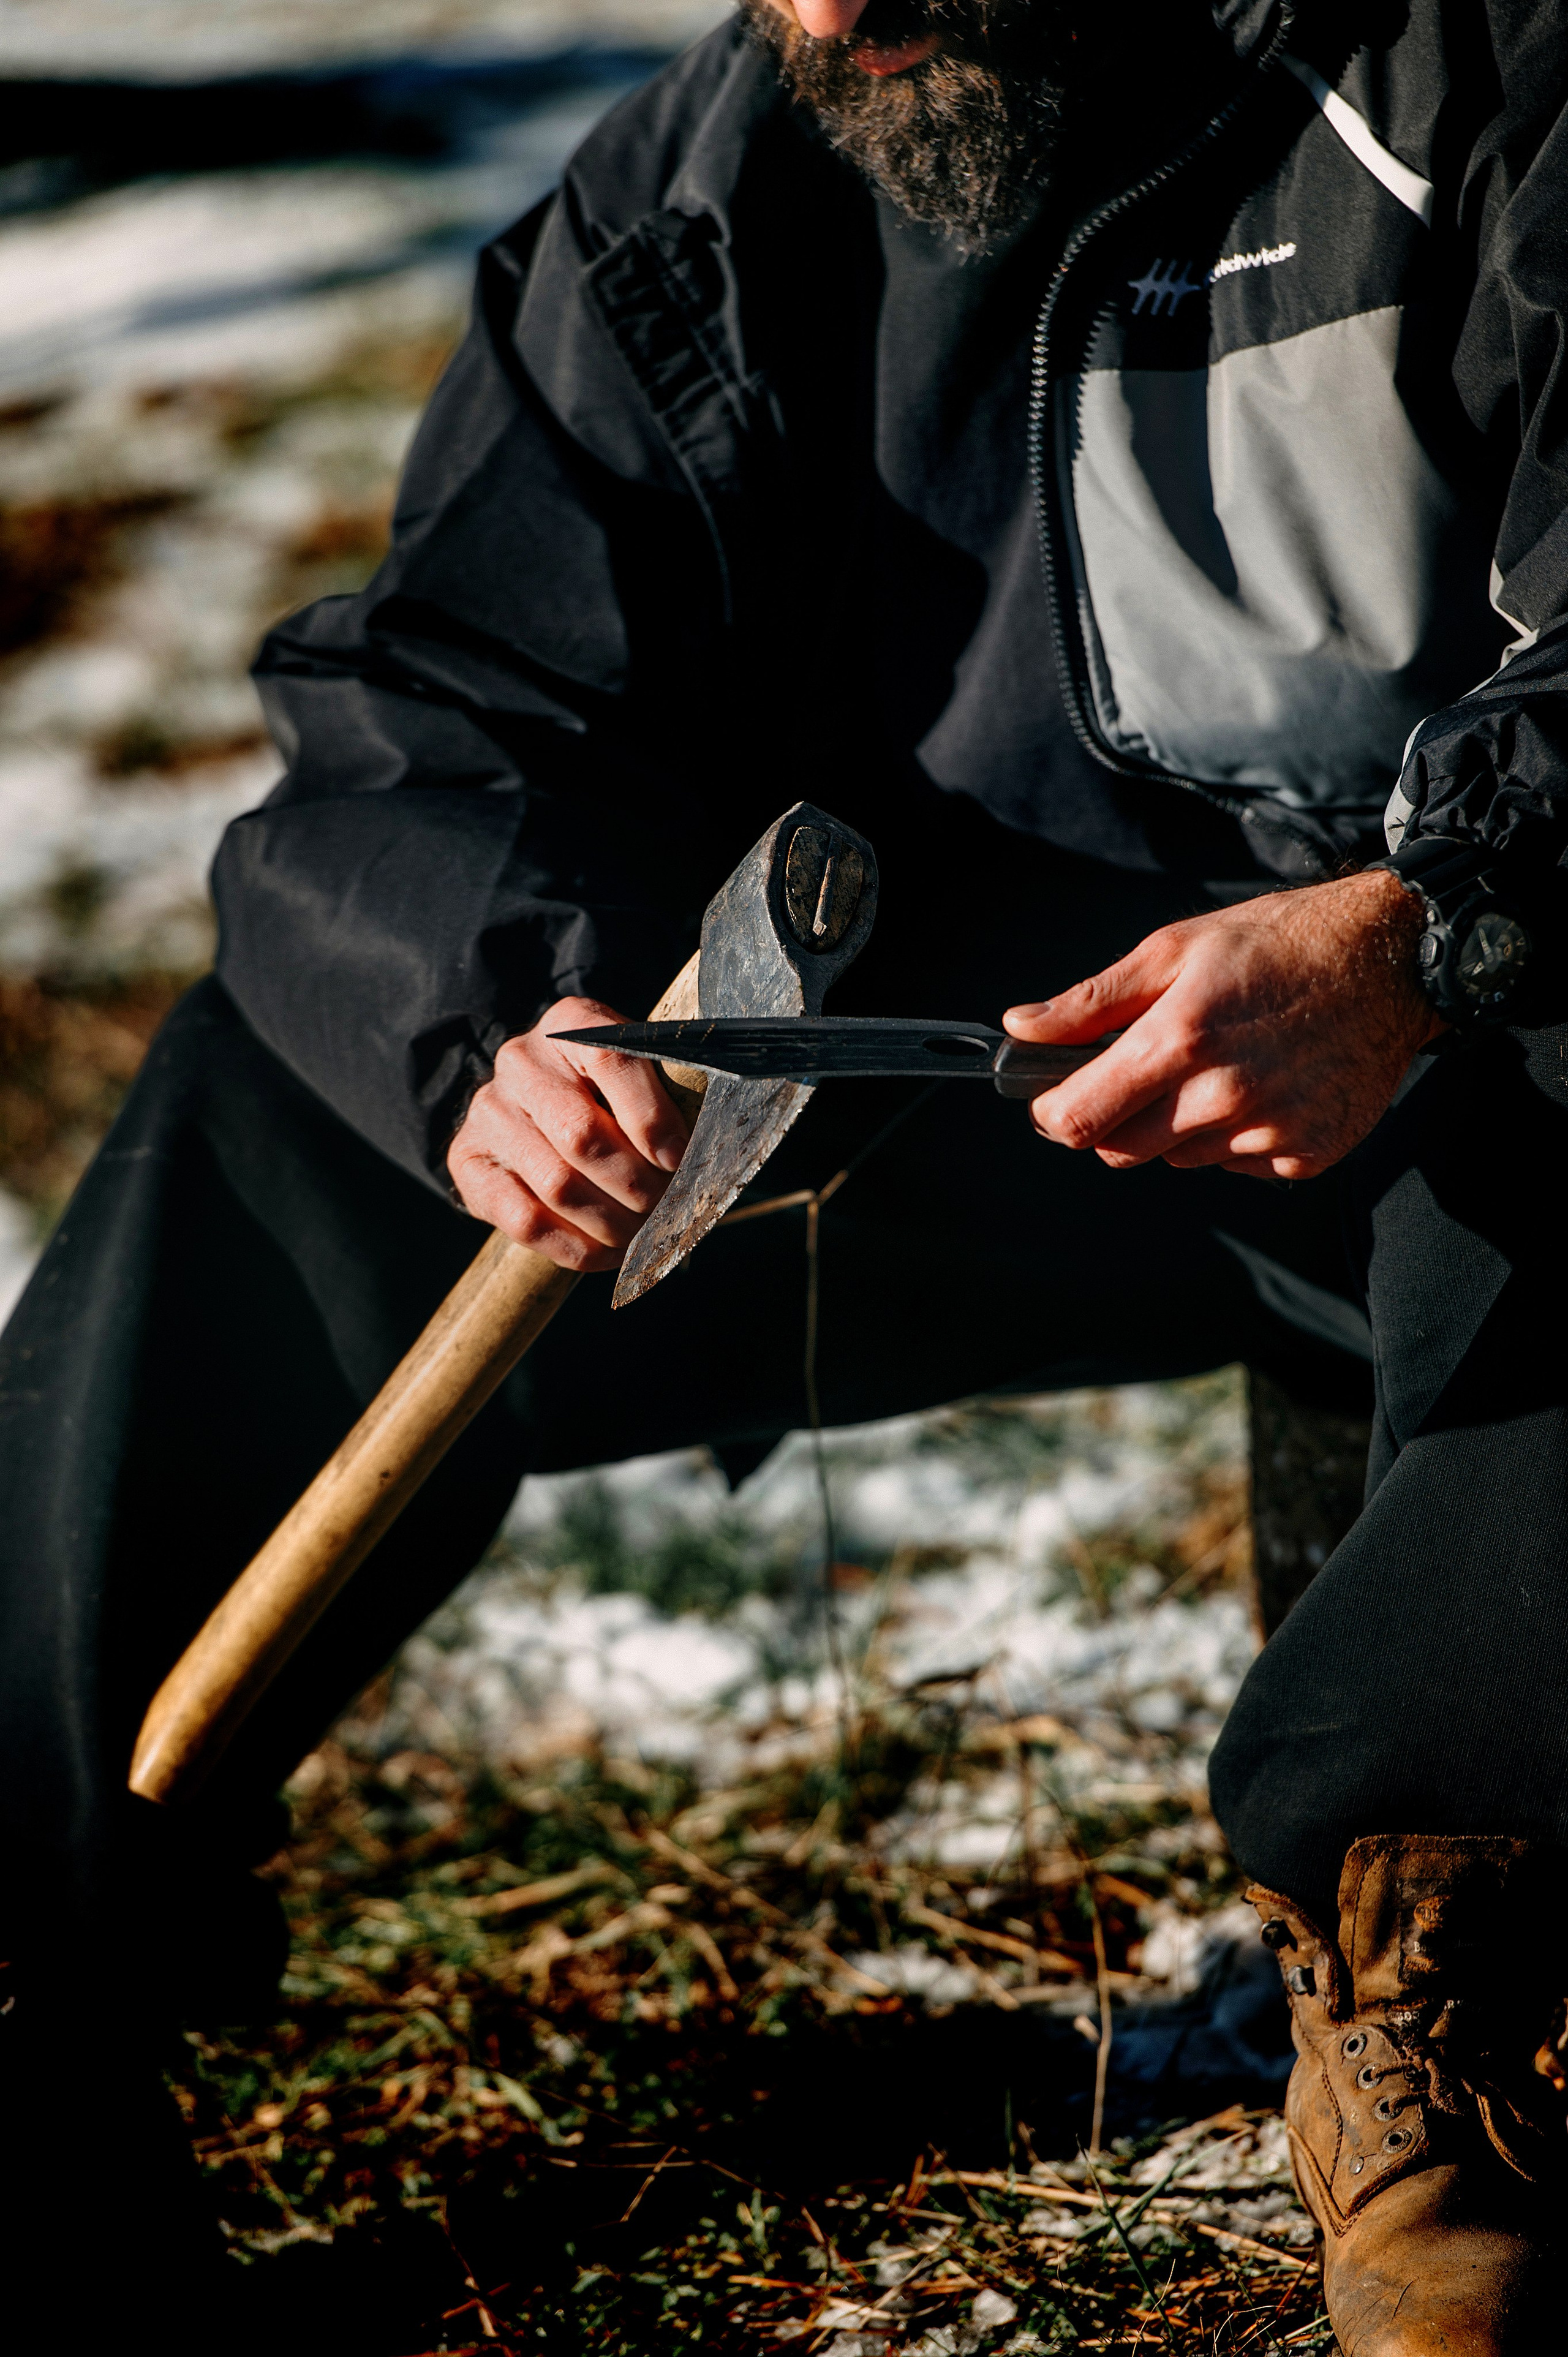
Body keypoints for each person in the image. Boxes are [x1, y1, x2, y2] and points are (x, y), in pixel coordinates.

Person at [3, 0, 1567, 2342]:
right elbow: (426, 725)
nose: (833, 5)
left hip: (1460, 1054)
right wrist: (499, 1022)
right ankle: (22, 1979)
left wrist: (1438, 926)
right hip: (956, 1091)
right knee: (275, 1105)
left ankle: (1469, 1990)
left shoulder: (1485, 64)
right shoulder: (706, 195)